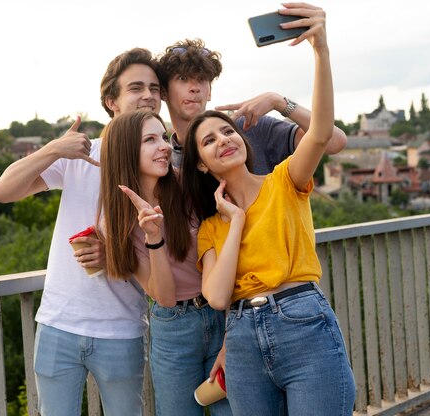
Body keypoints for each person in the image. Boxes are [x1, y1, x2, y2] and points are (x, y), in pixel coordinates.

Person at [181, 4, 356, 415]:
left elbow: (323, 133)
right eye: (209, 141)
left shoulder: (284, 180)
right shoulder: (211, 227)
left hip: (304, 323)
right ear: (202, 165)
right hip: (241, 341)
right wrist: (236, 220)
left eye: (228, 130)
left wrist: (320, 52)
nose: (223, 139)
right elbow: (218, 296)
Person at [0, 47, 162, 416]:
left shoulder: (161, 164)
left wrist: (115, 256)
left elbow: (168, 256)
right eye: (136, 87)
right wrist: (53, 148)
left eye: (155, 87)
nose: (148, 95)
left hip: (121, 330)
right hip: (58, 324)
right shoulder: (81, 158)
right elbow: (2, 191)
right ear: (111, 101)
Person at [97, 109, 232, 416]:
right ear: (125, 151)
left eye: (162, 136)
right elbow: (166, 297)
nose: (164, 145)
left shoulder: (192, 186)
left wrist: (231, 336)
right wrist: (153, 237)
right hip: (173, 328)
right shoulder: (116, 222)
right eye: (150, 139)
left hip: (223, 313)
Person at [157, 38, 348, 173]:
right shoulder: (163, 158)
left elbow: (335, 142)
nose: (194, 88)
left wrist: (278, 102)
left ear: (210, 91)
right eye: (183, 79)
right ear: (163, 92)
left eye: (201, 79)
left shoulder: (248, 127)